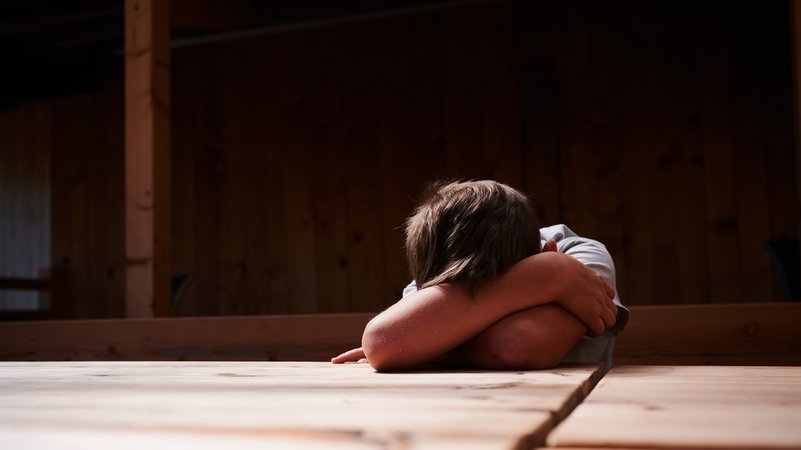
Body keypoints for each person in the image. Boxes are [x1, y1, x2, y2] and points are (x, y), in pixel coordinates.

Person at [332, 180, 628, 371]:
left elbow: (517, 345)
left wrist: (422, 345)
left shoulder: (578, 256)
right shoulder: (443, 272)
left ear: (546, 249)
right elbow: (384, 341)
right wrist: (547, 277)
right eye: (455, 292)